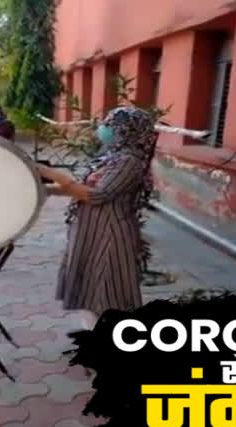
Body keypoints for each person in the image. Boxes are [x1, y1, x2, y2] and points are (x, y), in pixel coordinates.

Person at [36, 106, 157, 331]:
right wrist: (49, 189)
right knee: (89, 288)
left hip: (108, 234)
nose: (104, 128)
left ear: (126, 131)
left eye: (110, 125)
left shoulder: (129, 161)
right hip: (91, 230)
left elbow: (98, 195)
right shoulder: (112, 155)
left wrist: (49, 172)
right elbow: (82, 187)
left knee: (105, 291)